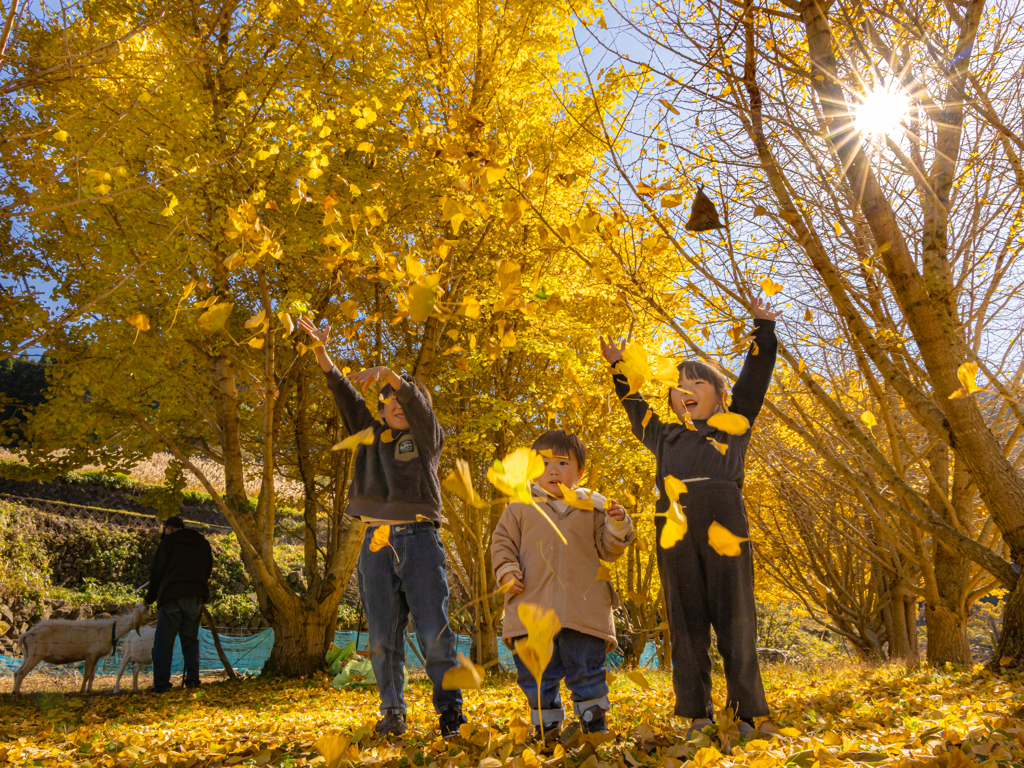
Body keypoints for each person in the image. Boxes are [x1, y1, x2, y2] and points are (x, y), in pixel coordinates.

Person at [600, 297, 782, 737]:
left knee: (736, 616)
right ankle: (696, 713)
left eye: (698, 381)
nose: (686, 388)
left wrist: (763, 328)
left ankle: (748, 714)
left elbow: (753, 381)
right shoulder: (663, 436)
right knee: (685, 618)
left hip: (725, 522)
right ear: (674, 401)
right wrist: (619, 366)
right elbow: (633, 404)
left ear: (719, 396)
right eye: (680, 384)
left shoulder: (734, 423)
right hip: (675, 526)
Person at [298, 315, 466, 739]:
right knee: (382, 637)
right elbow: (346, 397)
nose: (394, 402)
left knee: (433, 632)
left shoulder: (427, 438)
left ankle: (450, 711)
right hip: (376, 545)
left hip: (421, 541)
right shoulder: (370, 435)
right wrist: (322, 353)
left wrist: (393, 375)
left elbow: (417, 406)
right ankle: (392, 711)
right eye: (386, 397)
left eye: (401, 397)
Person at [490, 430, 633, 742]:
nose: (553, 469)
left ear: (579, 472)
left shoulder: (592, 508)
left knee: (586, 671)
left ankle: (594, 727)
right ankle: (547, 729)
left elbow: (609, 549)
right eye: (543, 462)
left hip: (583, 613)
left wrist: (617, 524)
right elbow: (502, 544)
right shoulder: (519, 507)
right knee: (537, 676)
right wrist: (507, 572)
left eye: (563, 462)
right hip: (531, 611)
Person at [146, 515, 213, 693]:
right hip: (196, 597)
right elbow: (208, 569)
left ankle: (161, 685)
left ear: (169, 529)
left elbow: (156, 573)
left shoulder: (168, 543)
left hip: (171, 597)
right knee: (190, 640)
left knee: (164, 642)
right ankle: (192, 680)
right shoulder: (202, 543)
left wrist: (150, 598)